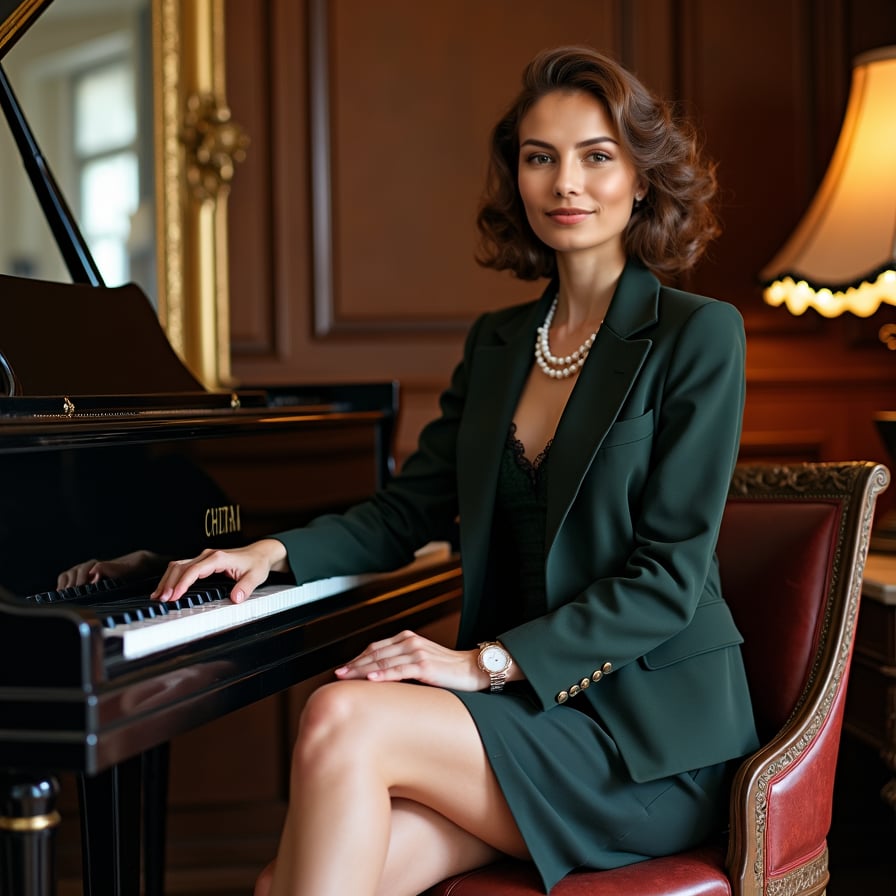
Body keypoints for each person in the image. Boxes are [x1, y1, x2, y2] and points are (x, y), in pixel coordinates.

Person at [151, 45, 758, 896]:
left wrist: (482, 665)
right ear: (517, 177)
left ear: (641, 178)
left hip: (649, 745)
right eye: (539, 158)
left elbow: (667, 581)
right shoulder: (498, 343)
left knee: (341, 716)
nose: (565, 183)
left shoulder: (697, 333)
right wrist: (274, 552)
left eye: (596, 156)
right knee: (286, 882)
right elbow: (408, 511)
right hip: (526, 720)